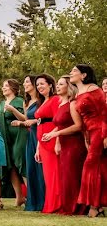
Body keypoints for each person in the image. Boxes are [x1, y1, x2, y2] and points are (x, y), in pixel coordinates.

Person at [41, 76, 85, 215]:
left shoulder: (72, 104)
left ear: (69, 87)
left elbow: (78, 126)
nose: (58, 86)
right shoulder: (60, 104)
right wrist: (54, 137)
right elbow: (60, 124)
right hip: (64, 144)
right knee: (66, 177)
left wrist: (56, 134)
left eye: (61, 84)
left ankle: (78, 208)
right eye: (58, 84)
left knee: (73, 177)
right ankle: (67, 206)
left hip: (74, 144)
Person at [70, 64, 107, 218]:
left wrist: (105, 135)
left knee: (90, 166)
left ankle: (94, 206)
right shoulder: (78, 94)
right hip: (90, 133)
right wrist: (86, 138)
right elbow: (83, 121)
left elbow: (105, 113)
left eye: (74, 71)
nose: (71, 73)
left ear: (84, 75)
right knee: (99, 167)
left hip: (100, 130)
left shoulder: (94, 89)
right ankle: (96, 206)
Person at [12, 75, 45, 211]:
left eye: (27, 81)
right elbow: (26, 119)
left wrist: (33, 122)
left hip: (41, 134)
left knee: (41, 168)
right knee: (31, 167)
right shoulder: (27, 102)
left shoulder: (41, 100)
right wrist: (19, 120)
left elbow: (44, 117)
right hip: (30, 135)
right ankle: (34, 200)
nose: (25, 84)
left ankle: (44, 200)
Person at [29, 75, 60, 213]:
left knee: (54, 173)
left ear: (50, 85)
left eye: (42, 84)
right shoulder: (41, 102)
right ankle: (50, 204)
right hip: (42, 140)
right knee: (47, 175)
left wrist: (54, 135)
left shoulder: (55, 100)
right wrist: (38, 148)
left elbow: (61, 122)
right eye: (38, 85)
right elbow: (39, 125)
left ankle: (57, 204)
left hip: (52, 138)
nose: (39, 87)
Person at [0, 79, 27, 206]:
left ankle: (31, 195)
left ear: (13, 88)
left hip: (18, 137)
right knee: (11, 167)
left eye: (6, 86)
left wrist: (13, 109)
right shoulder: (1, 103)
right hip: (5, 138)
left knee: (21, 164)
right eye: (3, 86)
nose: (3, 88)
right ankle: (19, 197)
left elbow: (25, 119)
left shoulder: (20, 101)